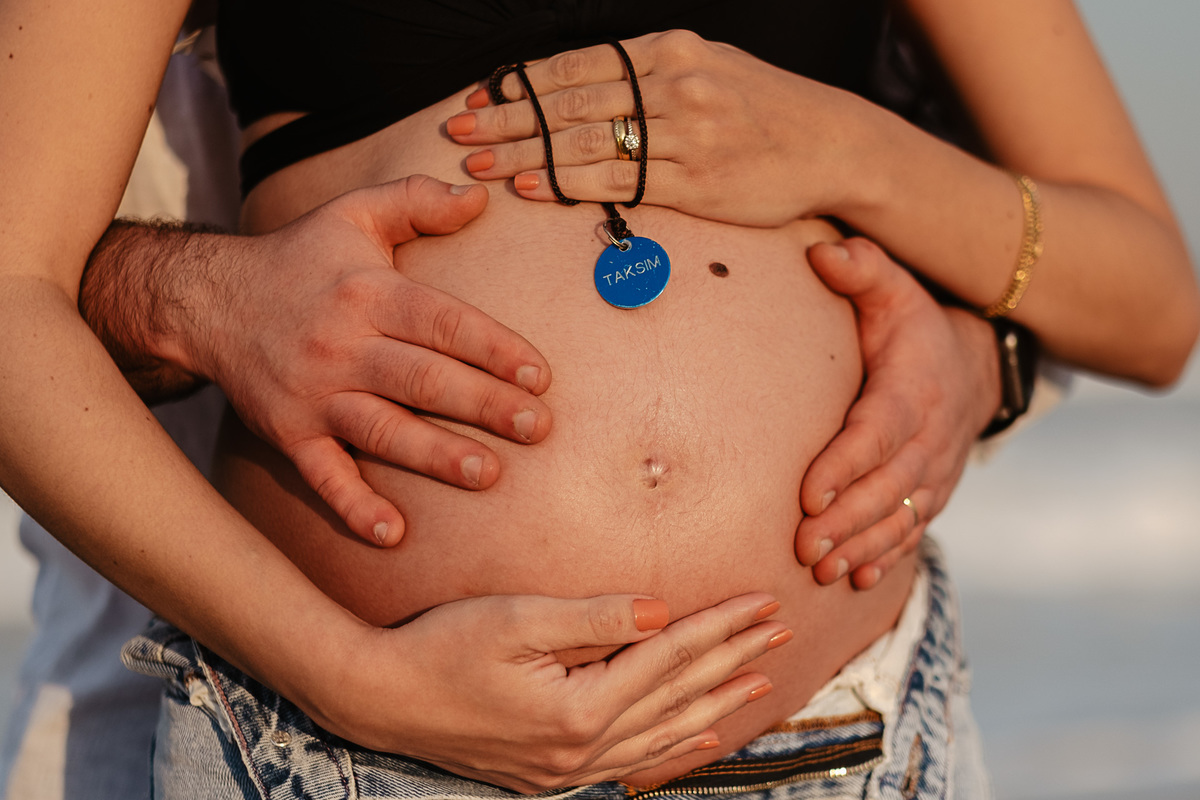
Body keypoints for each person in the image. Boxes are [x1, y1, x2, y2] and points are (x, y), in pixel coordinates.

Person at [2, 0, 1197, 798]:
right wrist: (350, 678)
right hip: (353, 742)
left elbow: (1153, 304)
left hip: (835, 734)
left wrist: (852, 152)